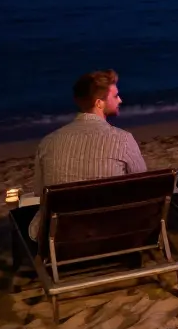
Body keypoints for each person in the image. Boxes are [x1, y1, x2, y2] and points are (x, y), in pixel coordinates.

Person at [29, 70, 146, 240]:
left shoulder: (47, 142)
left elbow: (40, 193)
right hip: (113, 233)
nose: (120, 100)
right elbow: (142, 187)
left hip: (62, 236)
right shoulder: (123, 140)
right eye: (115, 96)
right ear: (99, 103)